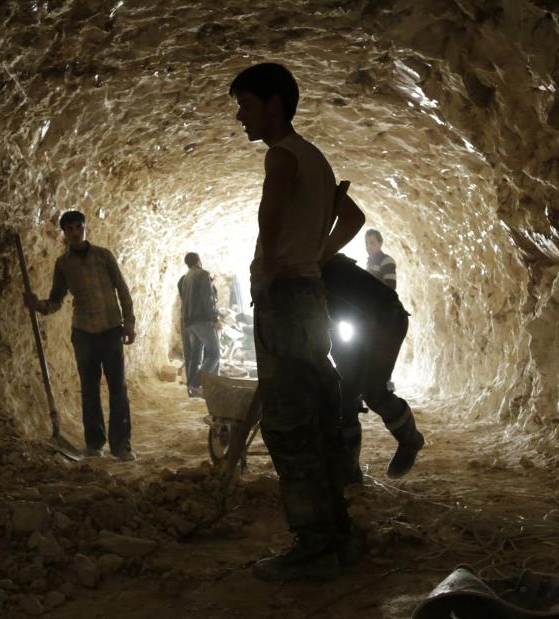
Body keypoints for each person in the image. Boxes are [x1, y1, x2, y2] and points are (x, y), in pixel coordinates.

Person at [231, 61, 364, 582]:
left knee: (288, 422)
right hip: (311, 295)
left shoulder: (282, 157)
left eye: (245, 106)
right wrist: (317, 255)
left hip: (286, 298)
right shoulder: (316, 158)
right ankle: (340, 535)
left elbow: (270, 214)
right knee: (318, 415)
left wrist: (265, 272)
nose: (241, 118)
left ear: (273, 104)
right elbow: (351, 218)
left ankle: (312, 547)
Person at [23, 210, 138, 461]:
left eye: (79, 227)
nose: (75, 232)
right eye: (70, 229)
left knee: (118, 388)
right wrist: (39, 305)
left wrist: (129, 322)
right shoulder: (63, 264)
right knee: (89, 389)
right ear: (64, 233)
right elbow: (56, 300)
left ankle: (121, 446)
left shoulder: (104, 256)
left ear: (85, 228)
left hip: (110, 329)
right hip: (84, 332)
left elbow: (122, 289)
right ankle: (95, 443)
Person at [321, 253, 424, 484]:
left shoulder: (318, 265)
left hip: (386, 319)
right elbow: (332, 322)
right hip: (360, 324)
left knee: (374, 392)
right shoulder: (313, 267)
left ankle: (410, 440)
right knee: (345, 393)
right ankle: (350, 471)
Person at [177, 252, 221, 398]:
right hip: (202, 320)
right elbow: (207, 299)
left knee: (194, 356)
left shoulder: (186, 278)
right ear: (198, 261)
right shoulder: (203, 274)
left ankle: (191, 389)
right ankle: (195, 385)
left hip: (190, 322)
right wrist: (215, 319)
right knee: (214, 354)